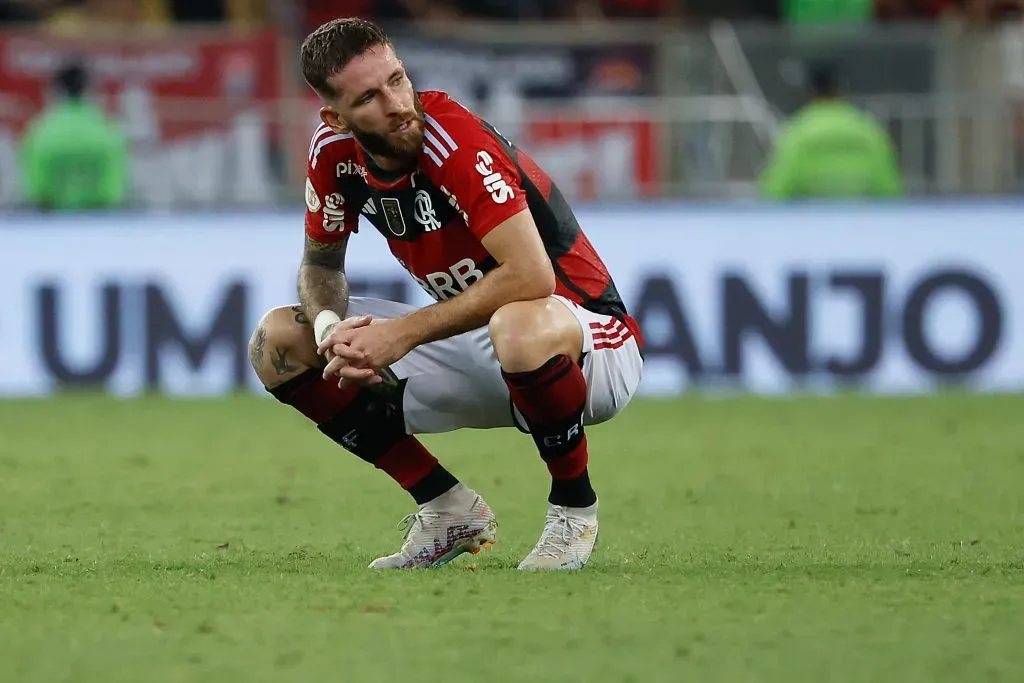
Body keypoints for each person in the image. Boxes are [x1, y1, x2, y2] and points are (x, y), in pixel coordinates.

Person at [249, 17, 644, 571]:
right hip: (480, 344)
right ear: (335, 117)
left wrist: (400, 335)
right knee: (278, 342)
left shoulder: (454, 143)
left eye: (397, 79)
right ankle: (446, 508)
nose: (395, 103)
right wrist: (329, 331)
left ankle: (573, 512)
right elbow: (319, 264)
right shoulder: (333, 154)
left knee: (517, 323)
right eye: (369, 97)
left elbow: (533, 277)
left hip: (590, 344)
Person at [759, 62, 903, 200]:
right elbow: (890, 190)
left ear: (809, 92)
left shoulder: (797, 133)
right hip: (860, 220)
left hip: (809, 221)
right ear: (842, 90)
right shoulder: (869, 130)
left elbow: (775, 192)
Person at [19, 57, 128, 211]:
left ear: (53, 90)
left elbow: (38, 191)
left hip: (49, 226)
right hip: (98, 223)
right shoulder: (109, 132)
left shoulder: (39, 133)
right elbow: (111, 193)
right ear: (91, 90)